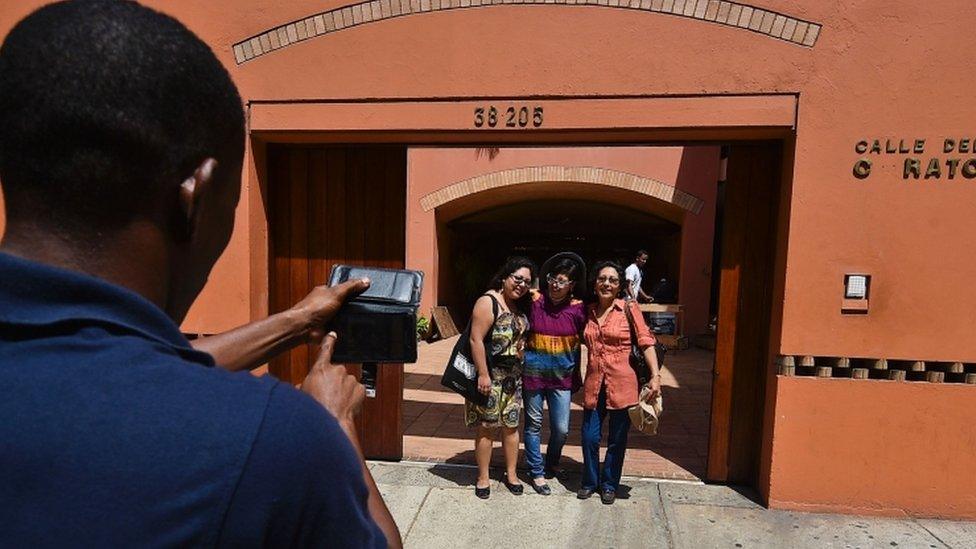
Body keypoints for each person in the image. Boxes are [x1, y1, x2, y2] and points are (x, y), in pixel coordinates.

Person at [0, 1, 399, 546]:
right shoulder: (276, 443)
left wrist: (297, 320)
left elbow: (120, 372)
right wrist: (336, 427)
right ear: (194, 195)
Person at [578, 261, 662, 505]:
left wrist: (656, 376)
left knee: (617, 438)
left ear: (619, 286)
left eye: (613, 280)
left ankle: (609, 484)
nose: (607, 283)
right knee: (589, 437)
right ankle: (589, 481)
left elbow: (646, 340)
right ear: (595, 283)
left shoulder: (628, 308)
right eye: (602, 278)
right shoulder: (587, 311)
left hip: (623, 383)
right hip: (594, 383)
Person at [465, 257, 534, 499]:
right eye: (517, 278)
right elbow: (476, 339)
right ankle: (483, 477)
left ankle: (511, 474)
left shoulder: (519, 305)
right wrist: (483, 374)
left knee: (512, 427)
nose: (521, 285)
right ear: (505, 276)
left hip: (513, 378)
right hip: (491, 376)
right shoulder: (488, 301)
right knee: (487, 427)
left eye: (526, 281)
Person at [521, 253, 587, 495]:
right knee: (533, 425)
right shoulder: (534, 302)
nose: (555, 285)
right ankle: (536, 472)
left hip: (562, 378)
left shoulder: (578, 310)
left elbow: (583, 341)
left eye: (562, 281)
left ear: (572, 285)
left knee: (561, 429)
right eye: (552, 279)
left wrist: (578, 372)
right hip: (533, 375)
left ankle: (552, 461)